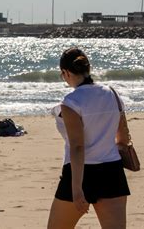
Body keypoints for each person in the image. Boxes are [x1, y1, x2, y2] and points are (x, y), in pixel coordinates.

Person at [48, 48, 130, 229]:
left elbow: (78, 147)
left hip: (79, 173)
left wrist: (77, 190)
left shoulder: (71, 102)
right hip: (111, 171)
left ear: (66, 73)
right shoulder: (112, 94)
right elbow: (123, 137)